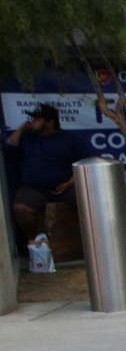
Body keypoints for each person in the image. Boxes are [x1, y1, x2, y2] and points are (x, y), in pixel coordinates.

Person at [5, 103, 89, 247]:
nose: (32, 121)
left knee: (88, 202)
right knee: (21, 209)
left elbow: (86, 162)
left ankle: (88, 242)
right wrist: (22, 128)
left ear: (50, 122)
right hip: (34, 188)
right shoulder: (28, 138)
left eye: (37, 119)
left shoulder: (69, 139)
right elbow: (9, 145)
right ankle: (36, 241)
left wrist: (70, 182)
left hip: (64, 187)